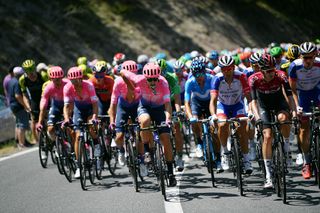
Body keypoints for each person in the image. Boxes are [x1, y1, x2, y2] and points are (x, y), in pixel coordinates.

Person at [120, 62, 177, 187]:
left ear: (158, 77)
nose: (152, 82)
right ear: (145, 77)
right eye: (149, 79)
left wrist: (168, 118)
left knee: (166, 139)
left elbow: (167, 104)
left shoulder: (163, 83)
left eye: (154, 79)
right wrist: (132, 88)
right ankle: (146, 150)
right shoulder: (139, 79)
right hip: (144, 107)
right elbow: (123, 72)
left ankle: (171, 173)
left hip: (159, 109)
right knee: (145, 121)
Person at [249, 54, 297, 188]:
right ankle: (268, 175)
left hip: (279, 103)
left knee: (283, 119)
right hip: (264, 106)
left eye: (272, 70)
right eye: (267, 71)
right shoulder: (254, 79)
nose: (271, 73)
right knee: (268, 136)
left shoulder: (281, 75)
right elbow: (253, 102)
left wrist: (293, 113)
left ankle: (286, 147)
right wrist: (257, 118)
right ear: (261, 70)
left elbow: (290, 96)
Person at [210, 55, 253, 174]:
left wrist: (250, 111)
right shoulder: (217, 79)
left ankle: (246, 159)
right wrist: (213, 115)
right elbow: (213, 100)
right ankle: (225, 152)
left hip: (237, 105)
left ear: (233, 67)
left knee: (243, 127)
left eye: (229, 69)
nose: (226, 72)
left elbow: (249, 98)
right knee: (222, 125)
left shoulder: (241, 76)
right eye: (224, 69)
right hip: (222, 106)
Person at [288, 42, 320, 179]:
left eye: (310, 57)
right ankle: (307, 162)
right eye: (305, 57)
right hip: (302, 96)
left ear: (315, 55)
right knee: (303, 129)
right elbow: (293, 90)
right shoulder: (295, 66)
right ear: (301, 56)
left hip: (317, 92)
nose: (307, 61)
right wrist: (296, 107)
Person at [63, 67, 99, 178]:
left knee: (91, 127)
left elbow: (94, 104)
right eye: (72, 80)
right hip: (78, 110)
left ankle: (96, 144)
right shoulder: (67, 87)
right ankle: (79, 166)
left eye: (77, 80)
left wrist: (94, 116)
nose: (75, 82)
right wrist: (66, 118)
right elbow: (66, 106)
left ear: (81, 78)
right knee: (78, 137)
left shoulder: (88, 85)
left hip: (89, 109)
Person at [184, 58, 218, 166]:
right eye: (195, 75)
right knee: (195, 120)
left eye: (200, 75)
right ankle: (199, 142)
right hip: (196, 102)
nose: (198, 78)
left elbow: (217, 98)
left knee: (213, 130)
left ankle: (218, 157)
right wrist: (190, 116)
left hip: (210, 102)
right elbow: (187, 102)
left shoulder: (211, 78)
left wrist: (215, 114)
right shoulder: (190, 82)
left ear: (204, 72)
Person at [109, 60, 141, 166]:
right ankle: (121, 151)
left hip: (137, 105)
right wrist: (112, 121)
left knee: (139, 134)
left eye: (134, 74)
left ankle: (140, 158)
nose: (132, 77)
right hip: (123, 107)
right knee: (119, 136)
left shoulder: (139, 81)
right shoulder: (118, 82)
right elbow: (113, 103)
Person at [158, 59, 185, 171]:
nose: (161, 74)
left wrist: (178, 112)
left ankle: (179, 157)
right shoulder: (152, 79)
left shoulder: (172, 78)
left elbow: (178, 99)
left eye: (163, 71)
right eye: (159, 71)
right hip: (159, 104)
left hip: (172, 102)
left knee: (177, 127)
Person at [20, 59, 49, 144]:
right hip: (35, 101)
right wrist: (28, 107)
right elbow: (24, 95)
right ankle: (42, 142)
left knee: (49, 119)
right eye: (28, 72)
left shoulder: (43, 75)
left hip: (46, 98)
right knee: (36, 122)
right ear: (25, 72)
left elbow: (50, 88)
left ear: (35, 69)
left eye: (32, 71)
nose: (31, 74)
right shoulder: (23, 80)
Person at [36, 66, 68, 142]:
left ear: (62, 77)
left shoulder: (67, 84)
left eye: (59, 79)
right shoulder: (48, 87)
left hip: (68, 106)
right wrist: (40, 122)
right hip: (56, 107)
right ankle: (60, 143)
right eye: (55, 80)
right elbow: (43, 106)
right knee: (50, 129)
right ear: (51, 79)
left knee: (70, 128)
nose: (58, 82)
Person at [7, 67, 31, 149]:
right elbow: (18, 96)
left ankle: (19, 142)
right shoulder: (17, 82)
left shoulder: (10, 81)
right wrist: (25, 105)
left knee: (18, 124)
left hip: (12, 105)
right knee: (22, 125)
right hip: (18, 105)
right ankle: (22, 144)